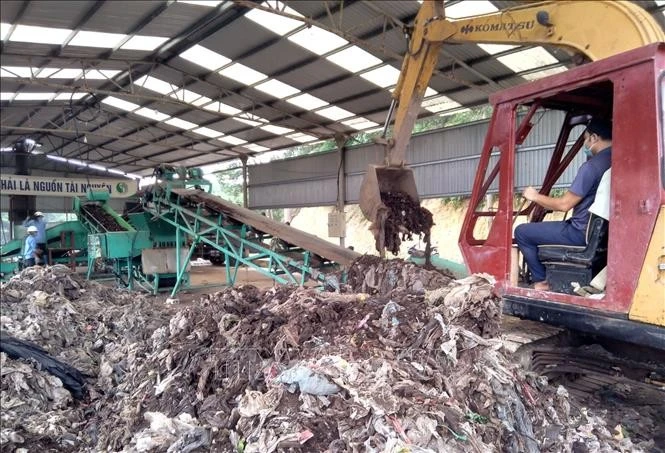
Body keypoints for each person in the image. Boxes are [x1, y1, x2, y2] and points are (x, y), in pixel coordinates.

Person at [514, 118, 612, 291]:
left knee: (522, 232)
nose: (585, 144)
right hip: (604, 233)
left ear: (594, 138)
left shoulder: (592, 167)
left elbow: (564, 204)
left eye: (585, 139)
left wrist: (535, 196)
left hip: (580, 233)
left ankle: (541, 281)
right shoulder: (618, 161)